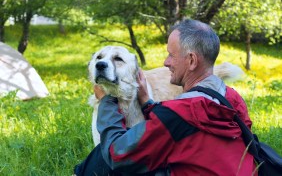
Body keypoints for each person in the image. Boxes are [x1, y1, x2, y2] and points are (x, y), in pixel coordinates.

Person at [75, 19, 257, 175]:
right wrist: (147, 103)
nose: (165, 62)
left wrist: (106, 101)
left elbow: (118, 154)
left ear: (192, 61)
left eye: (171, 55)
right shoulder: (232, 97)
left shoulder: (178, 113)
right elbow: (179, 126)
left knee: (101, 156)